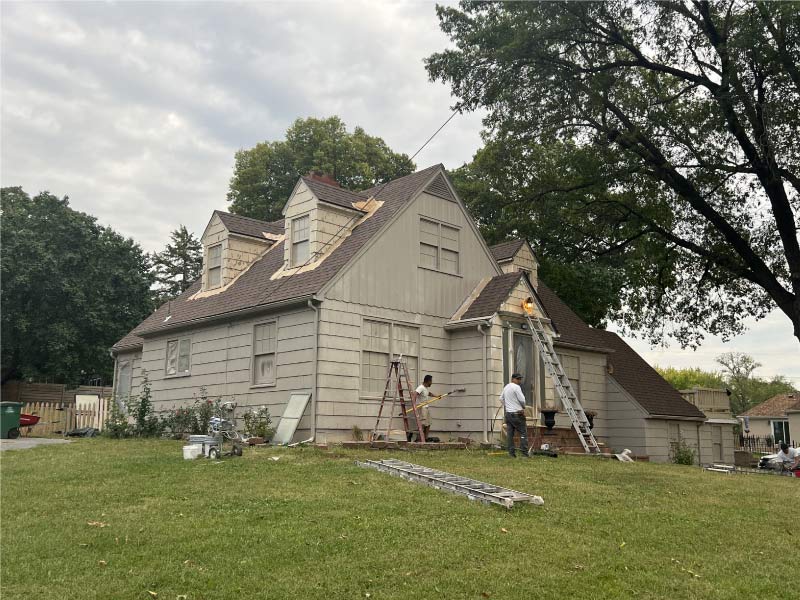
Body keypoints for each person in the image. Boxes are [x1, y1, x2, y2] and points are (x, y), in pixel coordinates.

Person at [501, 373, 529, 458]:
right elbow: (522, 400)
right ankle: (524, 454)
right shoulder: (516, 387)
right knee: (523, 433)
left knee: (510, 435)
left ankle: (511, 454)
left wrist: (508, 405)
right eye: (518, 379)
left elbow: (501, 398)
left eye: (520, 379)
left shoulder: (506, 387)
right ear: (512, 379)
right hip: (517, 414)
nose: (519, 381)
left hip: (508, 414)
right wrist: (523, 407)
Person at [409, 374, 433, 442]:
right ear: (428, 381)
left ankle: (425, 438)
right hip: (422, 408)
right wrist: (414, 404)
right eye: (431, 381)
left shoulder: (425, 388)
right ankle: (419, 439)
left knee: (428, 424)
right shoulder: (421, 387)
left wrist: (436, 396)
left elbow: (429, 393)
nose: (431, 383)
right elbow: (415, 394)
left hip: (426, 407)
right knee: (422, 424)